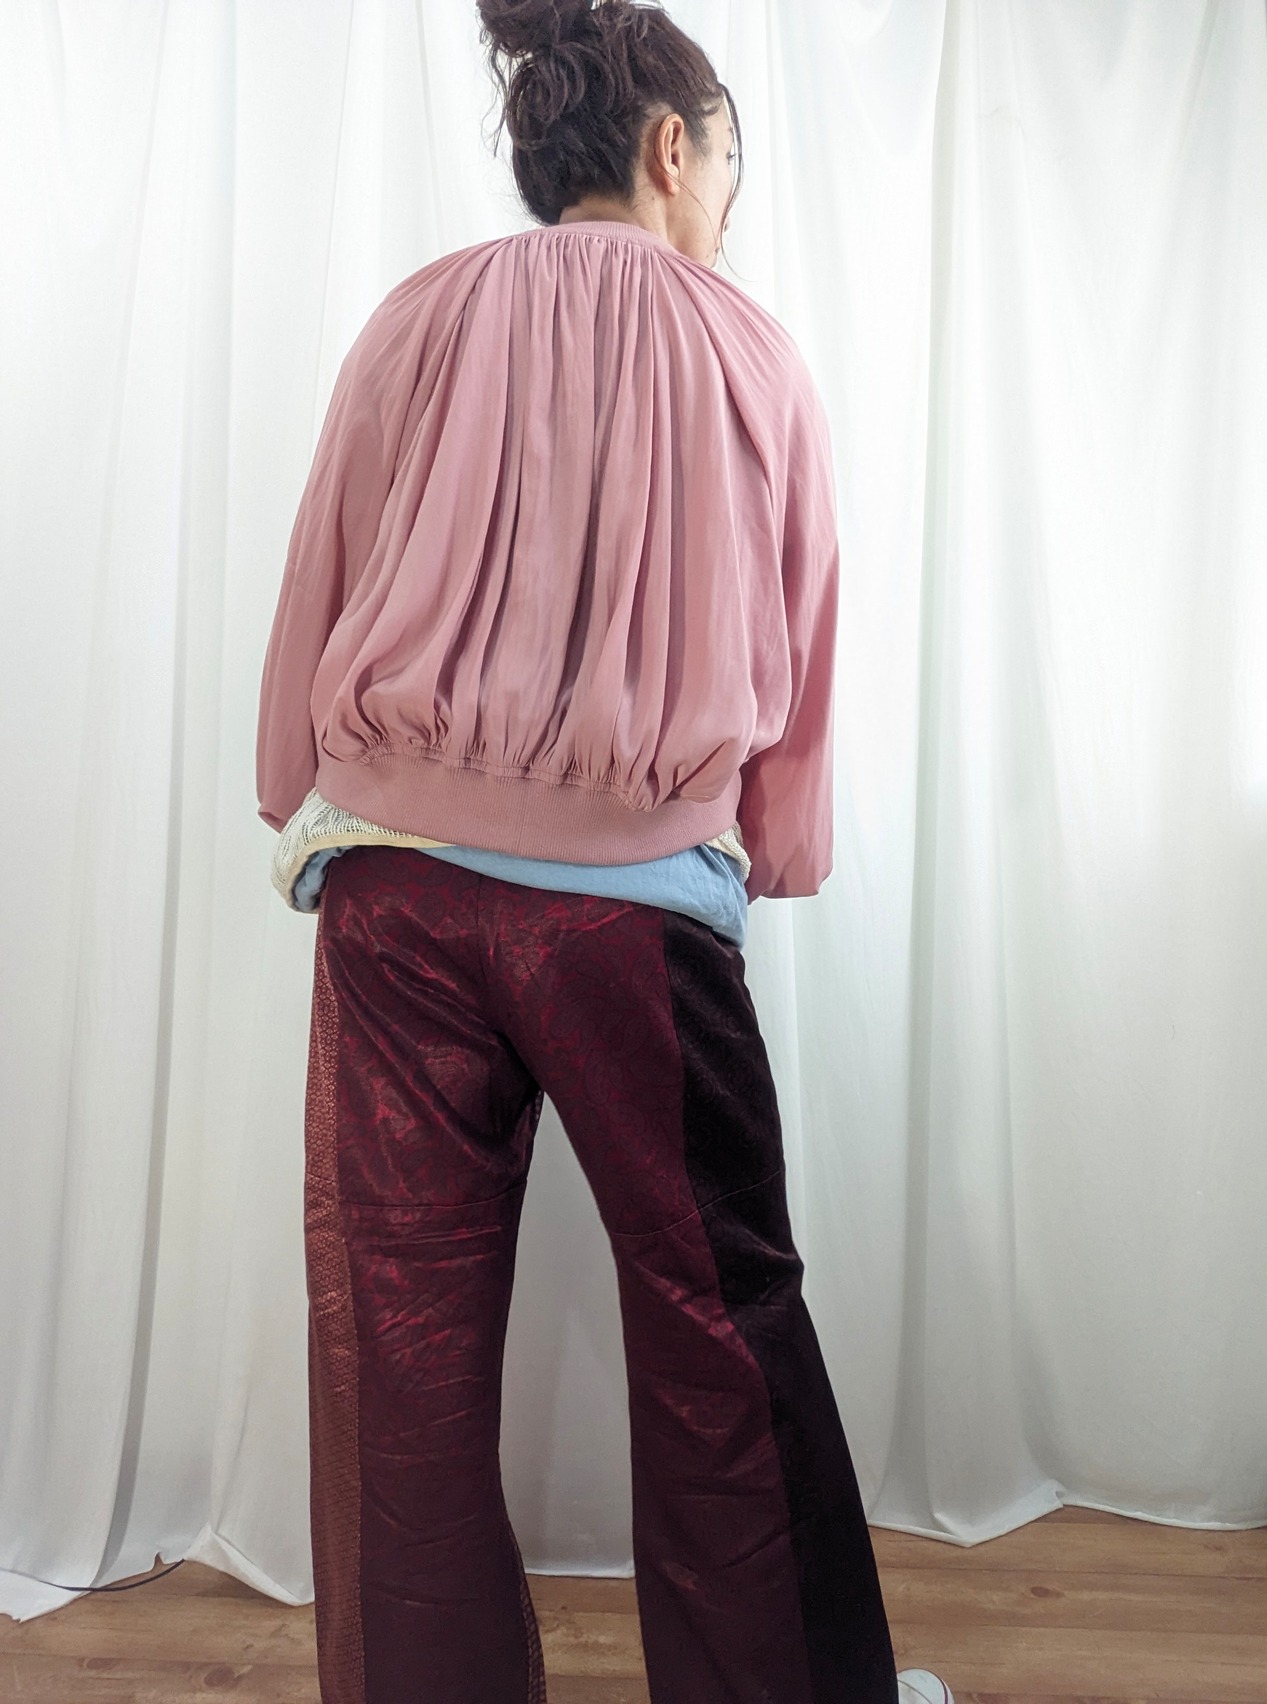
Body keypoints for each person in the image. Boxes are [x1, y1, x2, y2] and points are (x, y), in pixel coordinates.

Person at [256, 2, 955, 1700]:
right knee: (721, 1326)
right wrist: (774, 847)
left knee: (397, 1346)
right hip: (631, 922)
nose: (725, 213)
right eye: (727, 174)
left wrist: (297, 788)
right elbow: (799, 640)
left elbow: (322, 573)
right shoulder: (750, 351)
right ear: (668, 149)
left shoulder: (415, 318)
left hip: (394, 898)